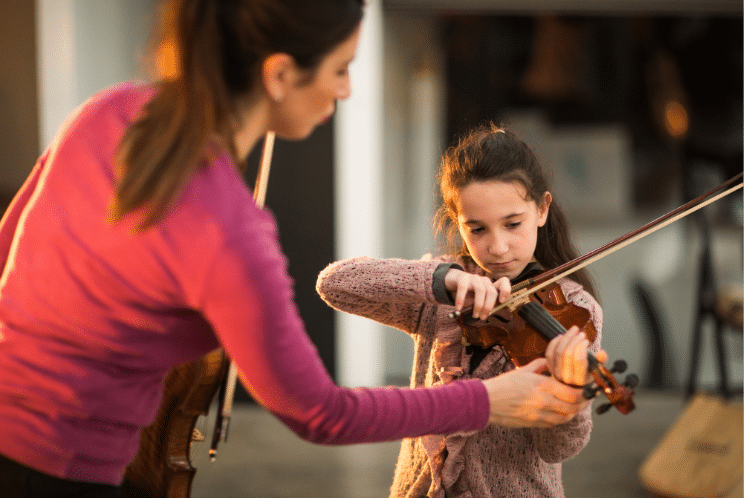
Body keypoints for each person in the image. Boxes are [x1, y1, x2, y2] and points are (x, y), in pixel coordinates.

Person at [0, 1, 595, 497]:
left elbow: (7, 250)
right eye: (341, 68)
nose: (346, 87)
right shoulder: (230, 231)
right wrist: (483, 400)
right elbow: (320, 412)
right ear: (281, 75)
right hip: (64, 470)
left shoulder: (108, 111)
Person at [316, 124, 607, 498]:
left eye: (513, 224)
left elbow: (559, 449)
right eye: (477, 229)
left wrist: (571, 390)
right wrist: (438, 280)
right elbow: (336, 285)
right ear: (457, 223)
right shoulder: (441, 294)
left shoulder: (573, 310)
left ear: (542, 209)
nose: (498, 247)